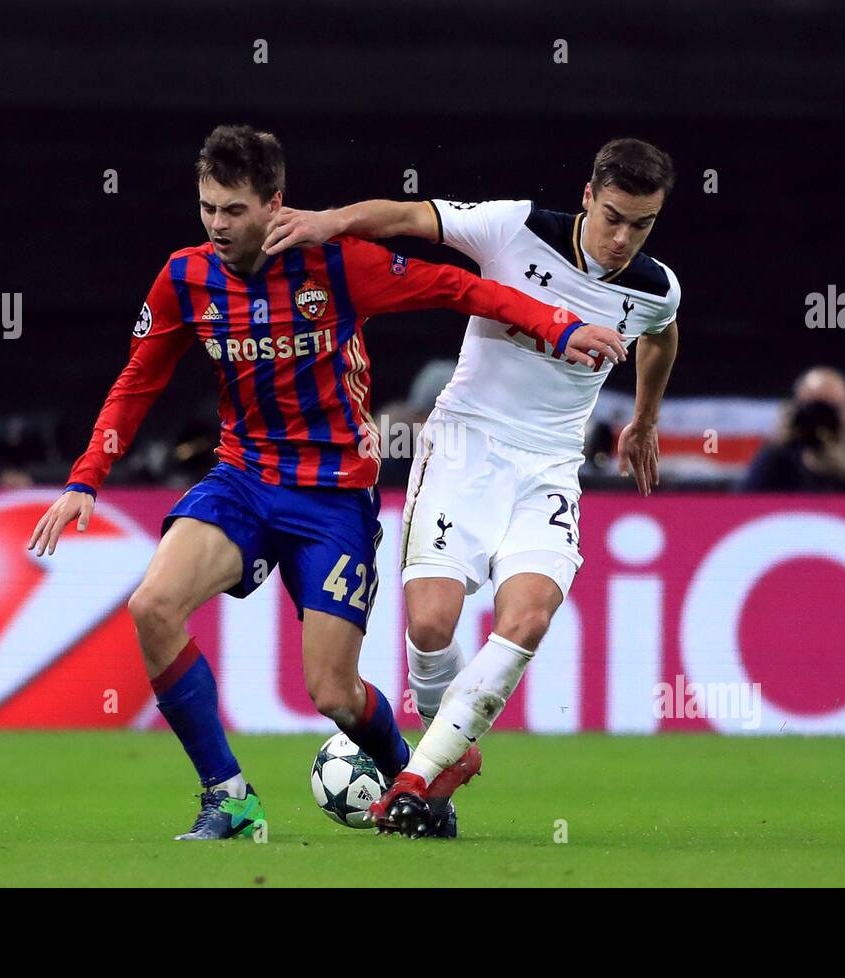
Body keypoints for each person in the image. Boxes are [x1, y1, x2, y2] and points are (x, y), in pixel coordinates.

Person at [26, 124, 627, 841]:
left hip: (333, 495)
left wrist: (558, 327)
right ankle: (230, 798)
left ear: (274, 204)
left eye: (234, 210)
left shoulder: (336, 266)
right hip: (242, 478)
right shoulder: (185, 277)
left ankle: (421, 779)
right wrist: (86, 479)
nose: (218, 225)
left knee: (333, 694)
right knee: (153, 604)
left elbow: (460, 287)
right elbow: (137, 381)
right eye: (208, 207)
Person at [263, 136, 680, 836]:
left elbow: (662, 337)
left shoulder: (654, 287)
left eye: (641, 225)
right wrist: (327, 222)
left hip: (549, 466)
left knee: (529, 616)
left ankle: (420, 780)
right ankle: (442, 742)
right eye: (613, 217)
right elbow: (405, 218)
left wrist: (643, 421)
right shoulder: (513, 228)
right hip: (464, 446)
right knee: (429, 624)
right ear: (587, 195)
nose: (622, 238)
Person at [741, 367, 845, 492]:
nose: (821, 418)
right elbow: (741, 505)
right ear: (796, 408)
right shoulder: (778, 454)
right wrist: (775, 447)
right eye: (814, 408)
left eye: (830, 409)